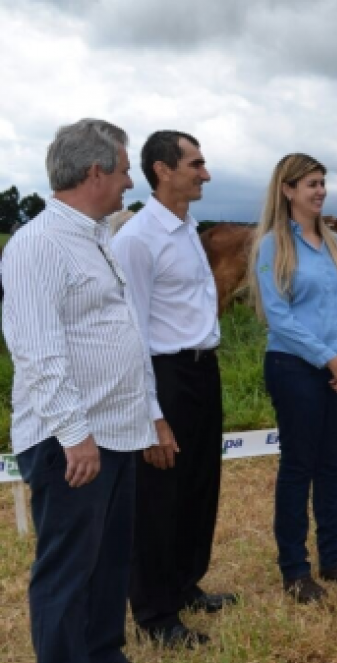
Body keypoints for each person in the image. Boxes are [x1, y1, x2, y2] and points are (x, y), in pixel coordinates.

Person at [3, 118, 175, 662]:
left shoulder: (98, 240)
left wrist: (146, 417)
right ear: (96, 171)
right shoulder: (38, 246)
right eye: (125, 171)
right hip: (72, 443)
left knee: (107, 566)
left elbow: (121, 334)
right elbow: (37, 350)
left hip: (115, 435)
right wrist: (76, 436)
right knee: (68, 572)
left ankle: (104, 654)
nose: (130, 182)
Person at [110, 130, 233, 647]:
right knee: (160, 497)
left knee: (199, 487)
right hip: (165, 375)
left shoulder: (186, 228)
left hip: (203, 370)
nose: (204, 172)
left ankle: (184, 585)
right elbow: (132, 330)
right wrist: (152, 415)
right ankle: (156, 615)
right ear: (163, 170)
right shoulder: (137, 239)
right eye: (195, 163)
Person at [251, 153, 337, 603]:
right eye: (310, 184)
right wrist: (330, 361)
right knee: (299, 467)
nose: (320, 191)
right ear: (287, 190)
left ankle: (334, 559)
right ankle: (295, 570)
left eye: (323, 182)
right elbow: (279, 317)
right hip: (295, 369)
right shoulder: (273, 246)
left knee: (332, 465)